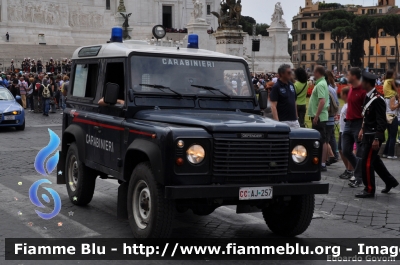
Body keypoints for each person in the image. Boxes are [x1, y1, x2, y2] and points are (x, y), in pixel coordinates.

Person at [355, 72, 399, 198]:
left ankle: (369, 189)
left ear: (367, 83)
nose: (361, 83)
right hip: (367, 134)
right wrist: (362, 129)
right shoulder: (368, 97)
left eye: (363, 81)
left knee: (367, 163)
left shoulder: (377, 99)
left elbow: (381, 121)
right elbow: (367, 118)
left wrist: (377, 138)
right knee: (375, 162)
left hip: (374, 137)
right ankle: (390, 181)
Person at [342, 68, 366, 188]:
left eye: (349, 74)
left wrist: (363, 127)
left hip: (357, 123)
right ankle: (360, 170)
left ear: (355, 76)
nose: (347, 76)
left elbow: (366, 111)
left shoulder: (362, 91)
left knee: (360, 152)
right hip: (348, 123)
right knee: (345, 149)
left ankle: (358, 178)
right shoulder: (351, 88)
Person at [308, 65, 329, 171]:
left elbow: (322, 101)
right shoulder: (322, 83)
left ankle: (322, 163)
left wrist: (316, 116)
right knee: (322, 139)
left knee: (321, 139)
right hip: (321, 115)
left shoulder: (320, 84)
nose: (313, 73)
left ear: (318, 73)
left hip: (319, 116)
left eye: (314, 72)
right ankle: (322, 162)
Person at [269, 64, 300, 129]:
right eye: (288, 72)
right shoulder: (276, 87)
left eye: (291, 72)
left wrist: (296, 116)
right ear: (282, 74)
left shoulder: (291, 85)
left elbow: (294, 101)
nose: (290, 74)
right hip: (283, 120)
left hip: (294, 120)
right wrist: (277, 122)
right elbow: (273, 106)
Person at [382, 70, 399, 159]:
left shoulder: (386, 96)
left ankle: (385, 152)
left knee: (389, 136)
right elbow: (392, 107)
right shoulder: (392, 96)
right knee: (393, 136)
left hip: (387, 116)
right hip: (392, 117)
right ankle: (391, 154)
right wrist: (398, 104)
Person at [338, 87, 354, 178]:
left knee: (346, 150)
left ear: (345, 95)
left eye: (341, 93)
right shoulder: (345, 105)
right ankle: (348, 168)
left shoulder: (349, 106)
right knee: (340, 150)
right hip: (342, 129)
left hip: (346, 130)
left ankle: (350, 169)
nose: (340, 95)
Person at [325, 70, 339, 164]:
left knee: (327, 138)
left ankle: (331, 156)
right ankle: (335, 154)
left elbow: (328, 105)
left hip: (327, 116)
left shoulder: (327, 88)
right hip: (332, 115)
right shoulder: (333, 87)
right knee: (332, 136)